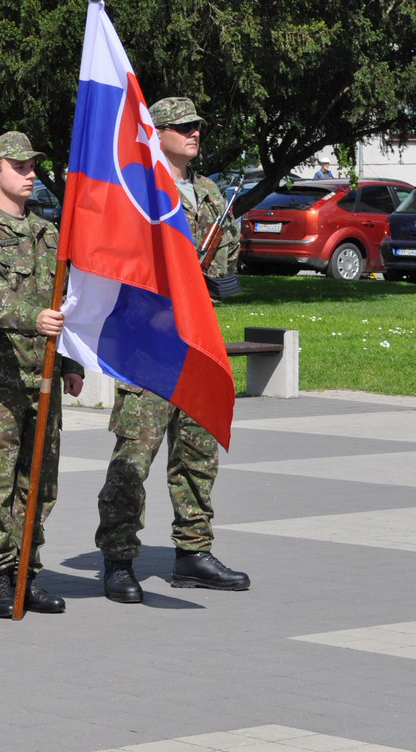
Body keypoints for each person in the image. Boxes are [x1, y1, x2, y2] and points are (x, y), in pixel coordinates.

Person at [96, 97, 250, 603]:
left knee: (197, 454)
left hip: (195, 346)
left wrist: (213, 264)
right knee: (133, 461)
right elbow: (121, 267)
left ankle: (193, 551)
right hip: (147, 347)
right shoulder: (138, 191)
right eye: (182, 127)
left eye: (197, 126)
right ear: (155, 132)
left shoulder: (209, 193)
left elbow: (225, 267)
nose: (194, 133)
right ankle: (118, 559)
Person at [0, 131, 84, 619]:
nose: (31, 175)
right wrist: (34, 319)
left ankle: (27, 572)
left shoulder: (49, 235)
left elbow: (64, 304)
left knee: (39, 483)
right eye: (21, 167)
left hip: (44, 375)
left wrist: (69, 363)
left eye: (33, 167)